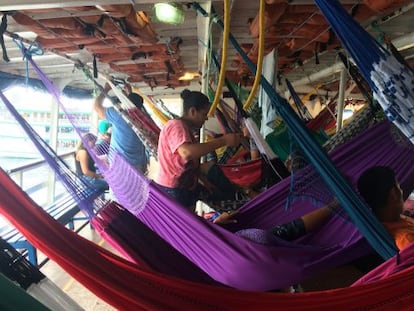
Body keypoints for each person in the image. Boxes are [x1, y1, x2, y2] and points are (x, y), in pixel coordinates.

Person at [155, 89, 242, 211]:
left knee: (219, 194)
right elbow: (187, 153)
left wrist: (205, 181)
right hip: (173, 190)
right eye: (204, 114)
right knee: (185, 225)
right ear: (192, 111)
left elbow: (189, 164)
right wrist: (224, 141)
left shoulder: (187, 130)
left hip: (185, 187)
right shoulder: (176, 125)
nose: (206, 118)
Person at [94, 83, 148, 173]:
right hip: (139, 165)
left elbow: (96, 107)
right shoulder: (143, 117)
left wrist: (106, 89)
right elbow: (133, 105)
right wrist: (129, 93)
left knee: (120, 187)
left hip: (120, 166)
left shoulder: (119, 115)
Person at [357, 165, 412, 251]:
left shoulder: (390, 219)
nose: (402, 191)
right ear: (393, 194)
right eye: (399, 187)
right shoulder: (406, 239)